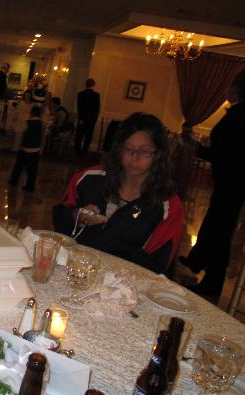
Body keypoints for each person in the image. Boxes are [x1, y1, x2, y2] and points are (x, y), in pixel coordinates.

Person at [53, 112, 184, 274]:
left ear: (158, 155)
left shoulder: (168, 206)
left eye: (144, 151)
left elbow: (154, 264)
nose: (134, 158)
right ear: (119, 149)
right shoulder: (88, 179)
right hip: (74, 271)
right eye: (128, 149)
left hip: (123, 282)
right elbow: (59, 224)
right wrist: (76, 216)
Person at [178, 70, 245, 302]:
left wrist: (196, 147)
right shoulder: (238, 114)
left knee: (220, 233)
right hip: (232, 182)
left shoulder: (238, 116)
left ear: (236, 89)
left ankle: (211, 285)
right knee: (214, 225)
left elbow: (223, 153)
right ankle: (197, 261)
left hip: (231, 183)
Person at [9, 105, 44, 192]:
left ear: (31, 113)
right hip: (36, 150)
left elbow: (18, 129)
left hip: (26, 149)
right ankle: (30, 186)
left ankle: (14, 181)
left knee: (18, 167)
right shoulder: (41, 123)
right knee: (32, 170)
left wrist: (15, 120)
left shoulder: (28, 123)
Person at [75, 78, 100, 156]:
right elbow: (96, 109)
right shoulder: (96, 95)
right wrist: (94, 120)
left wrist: (80, 118)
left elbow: (79, 107)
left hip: (82, 119)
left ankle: (77, 151)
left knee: (79, 136)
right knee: (88, 137)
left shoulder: (80, 94)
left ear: (86, 84)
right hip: (91, 120)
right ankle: (84, 152)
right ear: (93, 85)